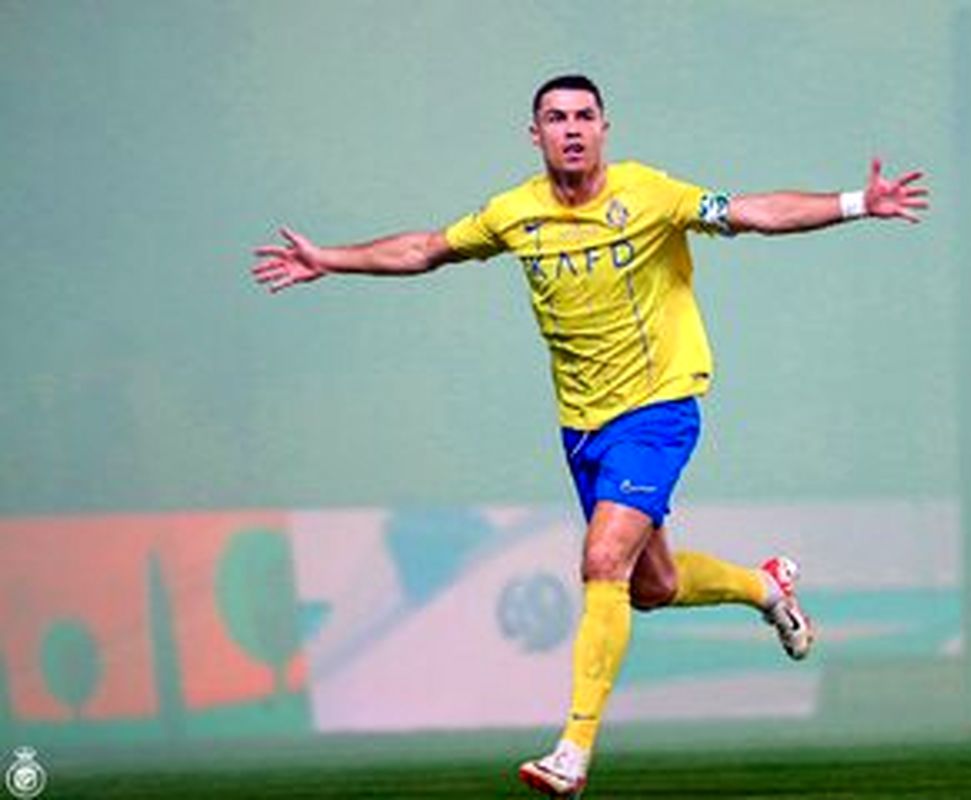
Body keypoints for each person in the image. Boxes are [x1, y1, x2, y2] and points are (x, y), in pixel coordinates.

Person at [252, 73, 928, 798]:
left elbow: (754, 212)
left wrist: (857, 204)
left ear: (604, 127)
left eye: (583, 116)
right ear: (534, 134)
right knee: (652, 586)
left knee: (602, 558)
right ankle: (766, 588)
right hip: (583, 427)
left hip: (659, 409)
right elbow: (423, 250)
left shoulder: (650, 194)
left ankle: (573, 752)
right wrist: (328, 259)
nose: (571, 129)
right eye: (556, 118)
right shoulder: (514, 213)